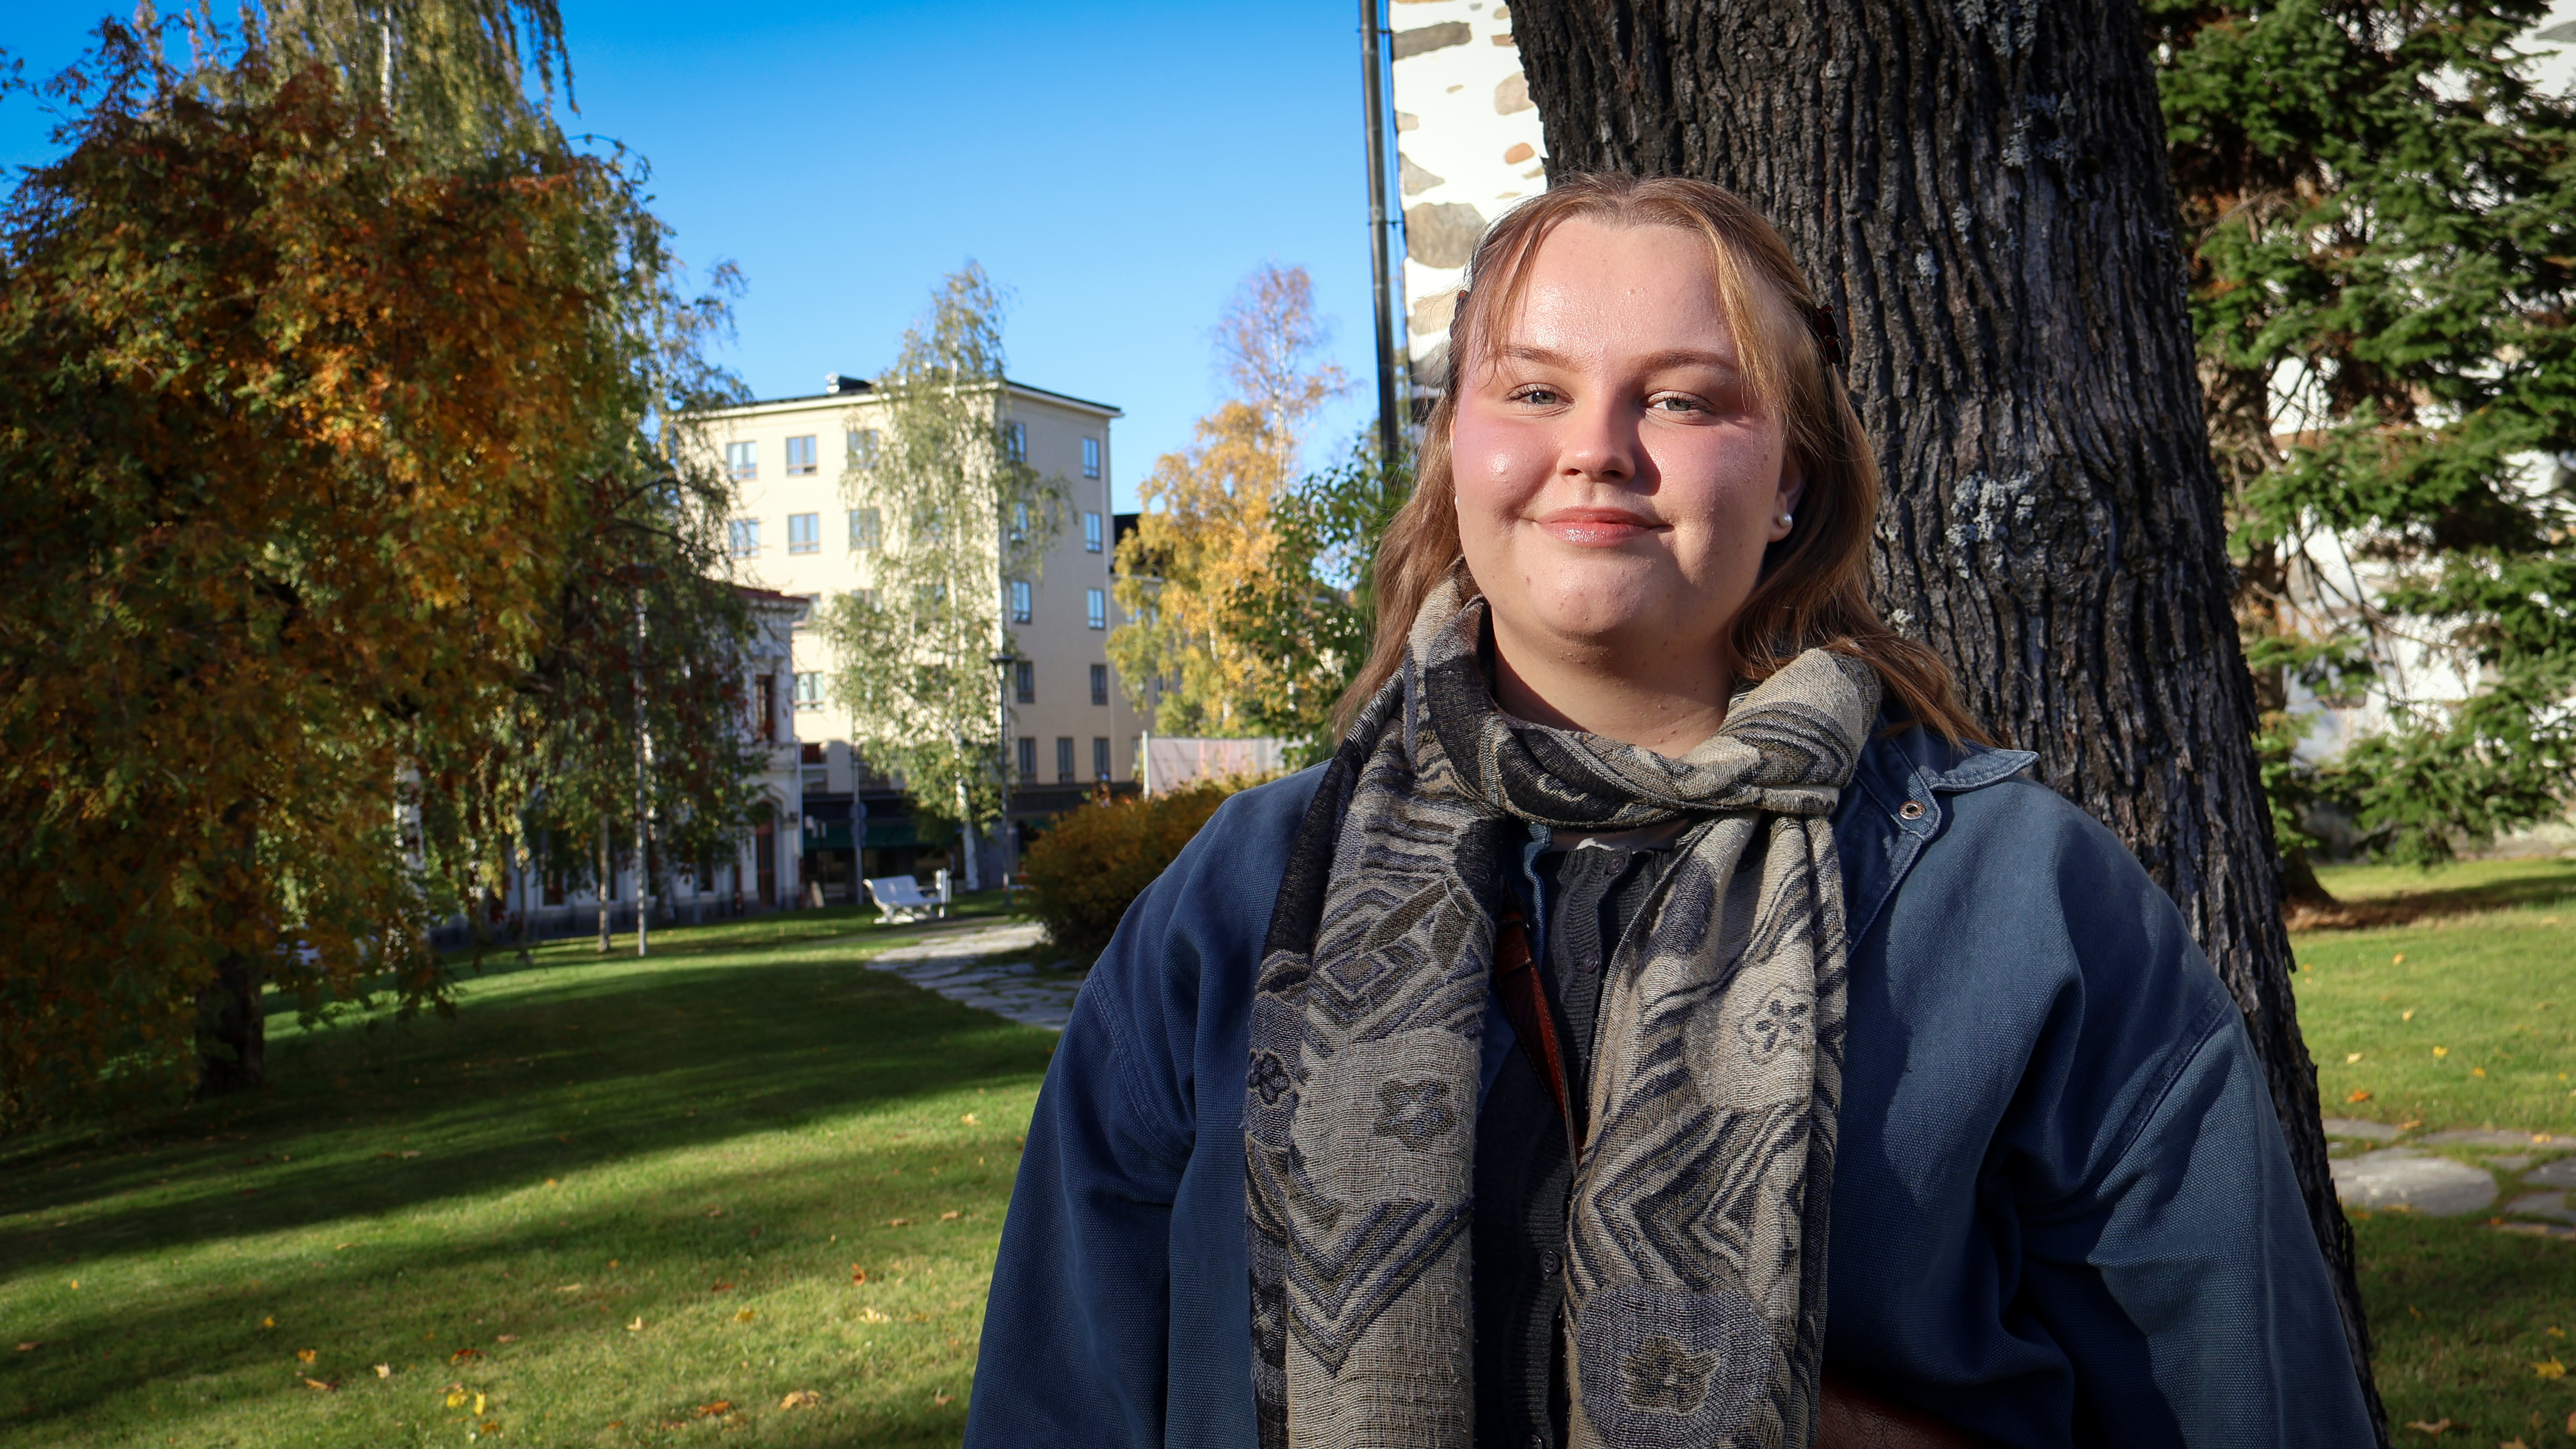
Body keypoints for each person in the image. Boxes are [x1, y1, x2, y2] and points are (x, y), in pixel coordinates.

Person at [964, 175, 2372, 1449]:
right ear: (1457, 449)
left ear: (1792, 483)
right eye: (1531, 392)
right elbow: (1063, 1400)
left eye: (1687, 399)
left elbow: (2249, 1404)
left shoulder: (2022, 907)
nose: (1600, 450)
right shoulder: (1240, 898)